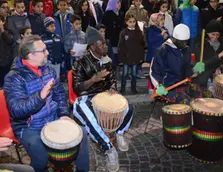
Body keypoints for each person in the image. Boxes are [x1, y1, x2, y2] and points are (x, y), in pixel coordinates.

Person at [3, 35, 89, 172]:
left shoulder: (47, 68)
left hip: (52, 118)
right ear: (31, 55)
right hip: (28, 126)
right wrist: (40, 97)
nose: (47, 53)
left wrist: (63, 114)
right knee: (41, 155)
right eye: (43, 50)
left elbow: (60, 93)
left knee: (81, 133)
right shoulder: (14, 78)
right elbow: (16, 110)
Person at [72, 26, 134, 172]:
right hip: (87, 96)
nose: (106, 46)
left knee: (129, 108)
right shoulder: (81, 62)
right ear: (93, 46)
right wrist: (93, 79)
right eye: (102, 44)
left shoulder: (108, 61)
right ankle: (108, 149)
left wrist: (113, 88)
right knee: (89, 117)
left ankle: (119, 133)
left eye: (105, 43)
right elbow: (77, 88)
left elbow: (112, 79)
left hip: (105, 94)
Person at [150, 24, 212, 104]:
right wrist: (159, 85)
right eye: (182, 42)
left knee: (207, 95)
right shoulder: (163, 50)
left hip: (183, 84)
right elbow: (154, 71)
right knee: (188, 103)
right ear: (174, 39)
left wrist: (195, 70)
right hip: (168, 87)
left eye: (186, 41)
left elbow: (188, 72)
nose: (184, 44)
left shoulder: (186, 49)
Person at [193, 20, 223, 89]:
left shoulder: (220, 42)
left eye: (217, 34)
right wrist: (221, 54)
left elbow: (220, 60)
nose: (215, 37)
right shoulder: (200, 43)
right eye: (213, 34)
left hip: (215, 71)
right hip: (204, 74)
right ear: (207, 33)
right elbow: (205, 63)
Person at [118, 13, 145, 94]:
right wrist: (121, 57)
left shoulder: (138, 32)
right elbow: (120, 46)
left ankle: (133, 88)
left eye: (134, 22)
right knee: (124, 74)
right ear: (126, 22)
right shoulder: (123, 33)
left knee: (134, 74)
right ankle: (123, 88)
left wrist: (141, 57)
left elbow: (141, 45)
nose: (132, 23)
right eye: (130, 22)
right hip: (126, 57)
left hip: (135, 57)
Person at [102, 0, 124, 68]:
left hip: (119, 40)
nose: (119, 4)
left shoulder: (120, 13)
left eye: (120, 2)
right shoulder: (107, 14)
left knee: (117, 58)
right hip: (111, 40)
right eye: (117, 2)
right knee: (113, 58)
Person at [0, 14, 14, 88]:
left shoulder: (8, 31)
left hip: (6, 63)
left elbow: (10, 41)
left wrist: (2, 30)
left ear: (3, 22)